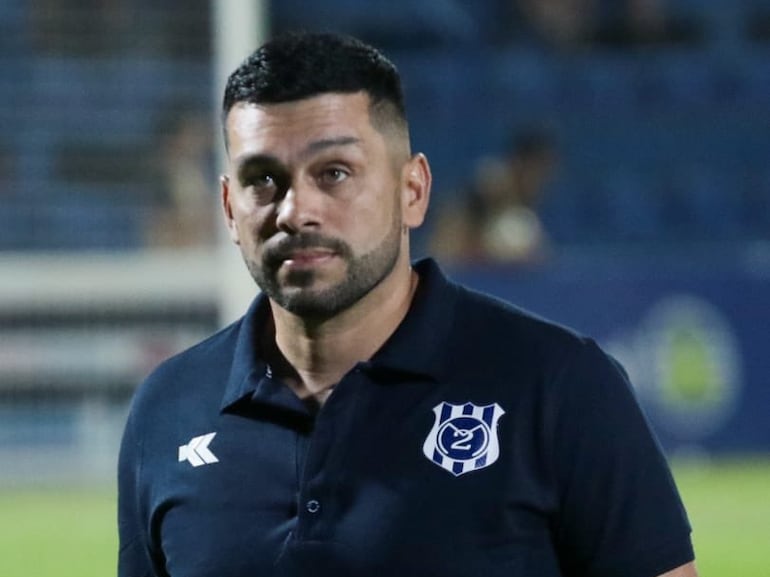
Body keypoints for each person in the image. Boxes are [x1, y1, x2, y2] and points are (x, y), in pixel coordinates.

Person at [118, 32, 698, 577]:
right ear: (228, 207)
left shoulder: (561, 387)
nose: (296, 211)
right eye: (263, 180)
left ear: (412, 190)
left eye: (335, 172)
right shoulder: (167, 410)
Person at [430, 127, 558, 265]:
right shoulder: (486, 191)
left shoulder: (522, 214)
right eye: (539, 168)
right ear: (522, 163)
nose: (543, 179)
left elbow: (541, 258)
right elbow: (444, 250)